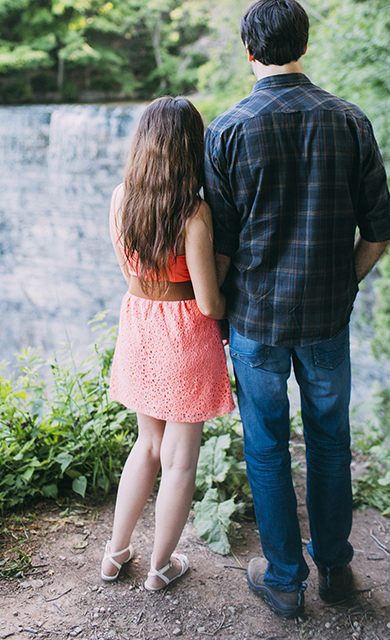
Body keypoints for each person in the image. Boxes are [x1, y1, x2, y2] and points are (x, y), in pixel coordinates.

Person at [203, 0, 390, 619]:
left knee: (264, 445)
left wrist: (217, 312)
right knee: (330, 440)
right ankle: (336, 570)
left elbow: (221, 250)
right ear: (304, 45)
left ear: (249, 51)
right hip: (326, 318)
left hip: (256, 321)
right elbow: (380, 234)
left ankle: (284, 580)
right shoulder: (349, 122)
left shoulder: (226, 131)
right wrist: (345, 284)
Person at [100, 96, 234, 592]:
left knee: (147, 445)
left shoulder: (120, 198)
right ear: (189, 150)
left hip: (139, 325)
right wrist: (225, 271)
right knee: (180, 458)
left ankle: (114, 555)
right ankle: (160, 567)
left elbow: (128, 272)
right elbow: (209, 305)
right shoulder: (194, 214)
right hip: (183, 336)